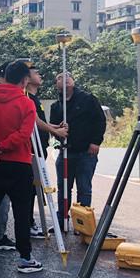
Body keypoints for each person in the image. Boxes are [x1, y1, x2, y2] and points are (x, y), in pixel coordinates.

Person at [0, 60, 42, 274]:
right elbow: (24, 135)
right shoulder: (26, 103)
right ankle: (25, 258)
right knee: (22, 211)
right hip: (19, 163)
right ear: (24, 80)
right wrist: (1, 146)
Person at [49, 72, 106, 228]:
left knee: (84, 188)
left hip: (86, 152)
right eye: (60, 77)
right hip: (66, 151)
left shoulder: (88, 99)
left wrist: (95, 142)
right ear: (56, 84)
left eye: (68, 76)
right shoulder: (56, 106)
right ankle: (62, 221)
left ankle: (82, 223)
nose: (65, 79)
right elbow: (53, 128)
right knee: (63, 188)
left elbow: (100, 121)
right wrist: (60, 133)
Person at [24, 62, 68, 238]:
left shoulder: (35, 98)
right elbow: (34, 121)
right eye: (36, 73)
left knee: (36, 190)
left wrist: (54, 126)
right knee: (30, 189)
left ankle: (31, 222)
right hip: (32, 151)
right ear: (27, 78)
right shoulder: (26, 97)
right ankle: (28, 223)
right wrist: (55, 131)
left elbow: (40, 121)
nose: (40, 75)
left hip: (40, 149)